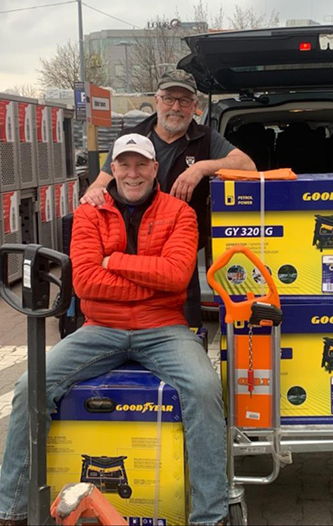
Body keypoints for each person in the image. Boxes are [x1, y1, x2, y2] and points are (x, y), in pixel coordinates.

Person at [0, 134, 227, 526]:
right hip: (101, 327)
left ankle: (211, 514)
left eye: (141, 164)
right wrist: (143, 278)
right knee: (29, 388)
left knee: (205, 389)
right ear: (113, 169)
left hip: (164, 328)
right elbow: (85, 282)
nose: (133, 173)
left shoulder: (180, 213)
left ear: (155, 168)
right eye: (125, 164)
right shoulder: (90, 213)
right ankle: (12, 508)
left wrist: (114, 259)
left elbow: (176, 277)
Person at [82, 69, 256, 326]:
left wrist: (200, 168)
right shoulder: (132, 137)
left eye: (184, 101)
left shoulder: (204, 137)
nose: (176, 107)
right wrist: (93, 194)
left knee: (187, 326)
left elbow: (248, 166)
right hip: (132, 251)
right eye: (169, 99)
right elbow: (100, 185)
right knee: (130, 319)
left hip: (180, 254)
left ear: (194, 106)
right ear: (157, 100)